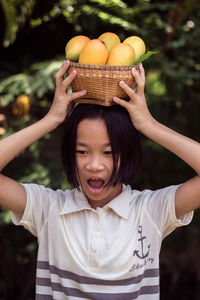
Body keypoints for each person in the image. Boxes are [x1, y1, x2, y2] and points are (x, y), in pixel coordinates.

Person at [0, 60, 200, 300]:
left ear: (127, 154)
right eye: (82, 151)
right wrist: (50, 120)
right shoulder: (48, 209)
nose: (94, 165)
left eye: (109, 153)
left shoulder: (150, 212)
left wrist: (150, 125)